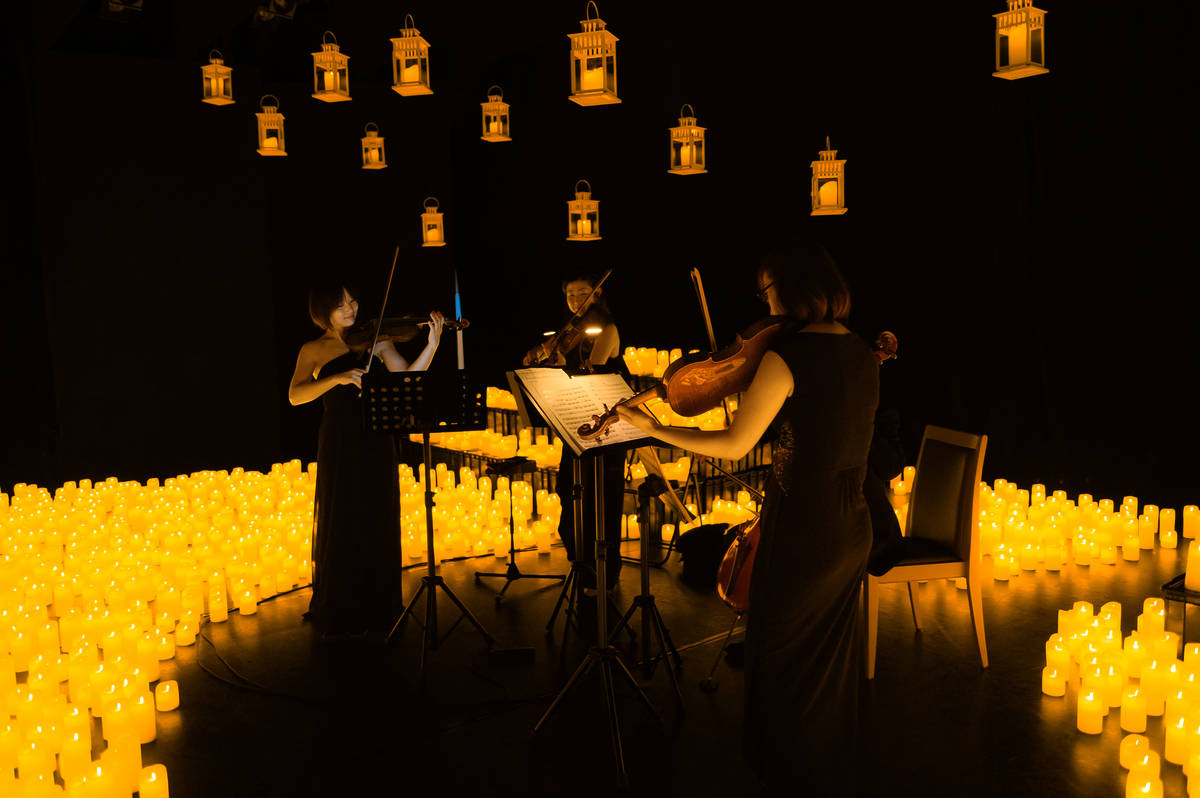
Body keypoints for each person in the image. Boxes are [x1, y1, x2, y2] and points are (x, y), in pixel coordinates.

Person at [616, 243, 878, 796]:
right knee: (827, 664)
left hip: (804, 525)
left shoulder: (787, 357)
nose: (765, 303)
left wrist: (655, 430)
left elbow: (736, 445)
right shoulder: (861, 350)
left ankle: (789, 776)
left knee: (780, 660)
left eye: (766, 290)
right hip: (851, 522)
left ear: (791, 288)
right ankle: (829, 774)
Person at [288, 282, 445, 639]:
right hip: (340, 440)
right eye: (341, 304)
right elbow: (296, 395)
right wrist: (338, 377)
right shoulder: (314, 349)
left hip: (377, 438)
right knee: (343, 517)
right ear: (323, 312)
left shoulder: (378, 340)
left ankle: (378, 606)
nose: (351, 309)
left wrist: (432, 345)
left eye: (353, 301)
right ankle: (342, 608)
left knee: (378, 516)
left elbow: (407, 379)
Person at [530, 274, 624, 596]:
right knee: (569, 492)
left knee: (602, 502)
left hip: (606, 431)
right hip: (577, 428)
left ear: (598, 293)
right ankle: (581, 564)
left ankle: (605, 575)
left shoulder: (607, 329)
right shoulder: (569, 332)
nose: (576, 299)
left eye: (583, 292)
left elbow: (591, 375)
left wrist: (560, 364)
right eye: (570, 294)